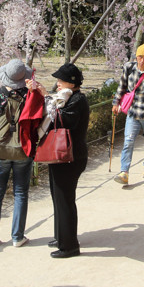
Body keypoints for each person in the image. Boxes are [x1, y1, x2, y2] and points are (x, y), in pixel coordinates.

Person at [0, 59, 43, 248]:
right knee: (20, 192)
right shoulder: (29, 95)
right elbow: (38, 119)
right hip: (22, 148)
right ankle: (17, 236)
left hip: (1, 149)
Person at [45, 63, 90, 258]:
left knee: (65, 200)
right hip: (61, 155)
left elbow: (61, 119)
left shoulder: (78, 100)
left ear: (71, 83)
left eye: (61, 81)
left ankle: (70, 245)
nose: (58, 84)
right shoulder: (70, 97)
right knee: (57, 197)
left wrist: (44, 98)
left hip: (70, 156)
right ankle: (61, 236)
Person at [113, 43, 144, 185]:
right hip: (132, 113)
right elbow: (121, 86)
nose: (142, 61)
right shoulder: (129, 68)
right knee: (128, 142)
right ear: (136, 56)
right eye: (140, 57)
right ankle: (124, 172)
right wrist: (116, 103)